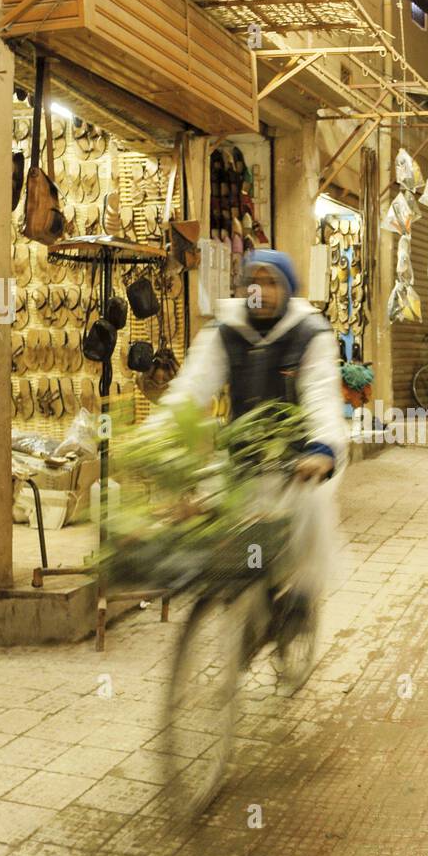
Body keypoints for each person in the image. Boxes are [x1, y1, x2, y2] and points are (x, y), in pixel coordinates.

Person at [162, 249, 347, 627]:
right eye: (253, 281)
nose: (260, 290)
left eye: (269, 282)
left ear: (286, 288)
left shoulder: (309, 332)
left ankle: (299, 598)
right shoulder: (226, 330)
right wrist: (161, 431)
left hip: (297, 463)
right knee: (220, 533)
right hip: (241, 459)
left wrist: (322, 448)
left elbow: (321, 394)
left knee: (306, 523)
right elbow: (192, 387)